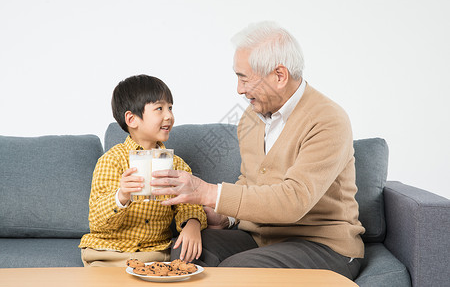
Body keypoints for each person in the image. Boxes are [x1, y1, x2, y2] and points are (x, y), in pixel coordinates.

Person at [151, 21, 365, 280]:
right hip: (260, 239)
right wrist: (225, 216)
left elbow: (293, 201)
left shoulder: (328, 120)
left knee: (238, 271)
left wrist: (207, 193)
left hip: (323, 246)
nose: (239, 89)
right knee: (186, 250)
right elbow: (251, 181)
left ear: (279, 76)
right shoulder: (251, 118)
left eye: (244, 77)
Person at [79, 74, 207, 267]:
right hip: (108, 254)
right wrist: (121, 196)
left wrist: (192, 224)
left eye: (170, 108)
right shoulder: (111, 161)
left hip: (154, 255)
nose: (169, 116)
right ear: (132, 119)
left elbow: (189, 204)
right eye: (159, 108)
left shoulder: (176, 165)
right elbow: (97, 222)